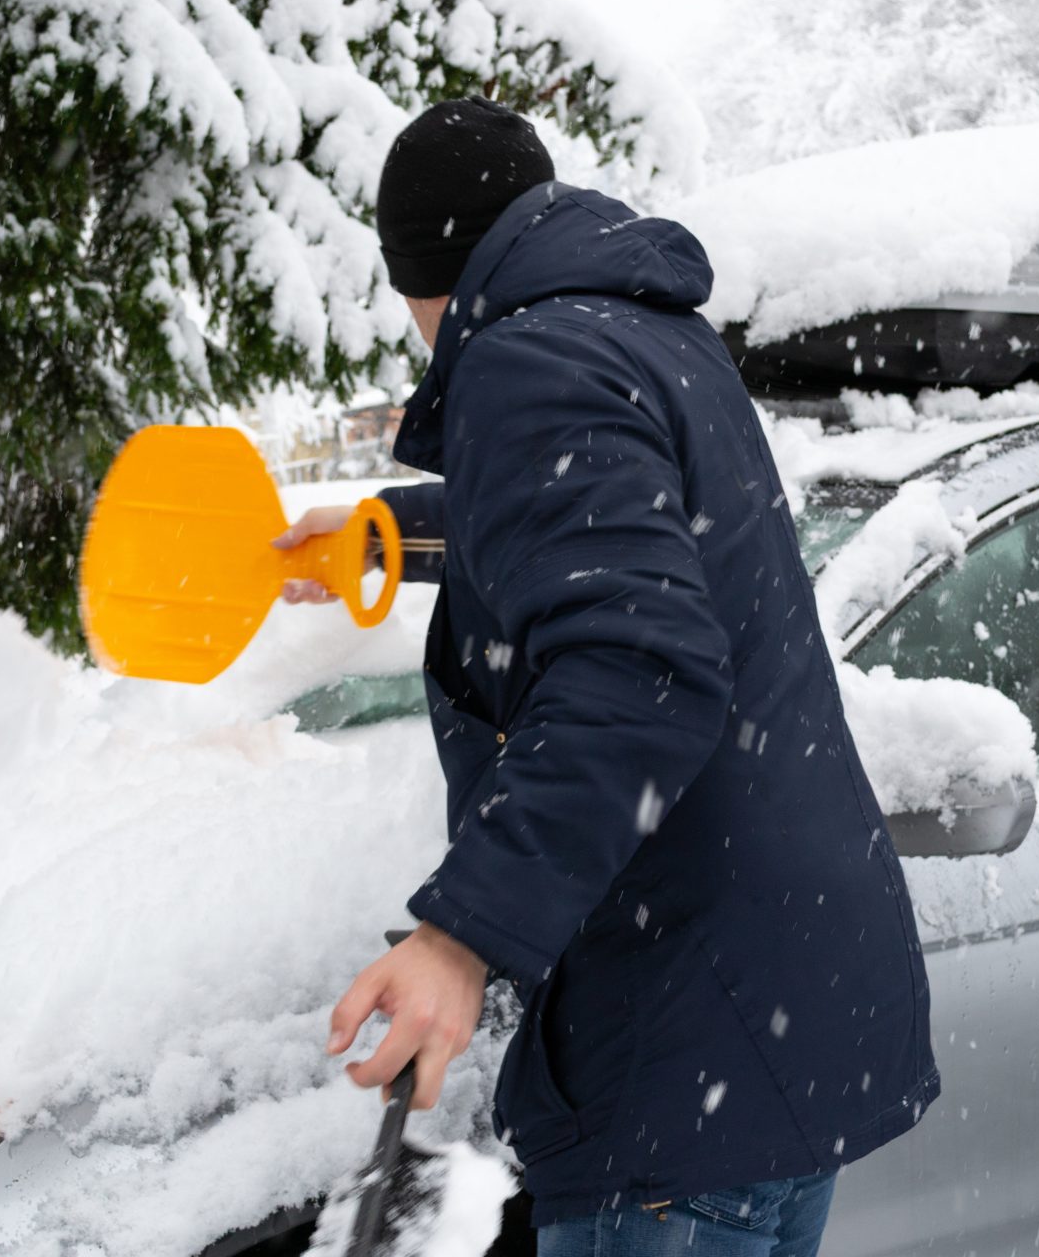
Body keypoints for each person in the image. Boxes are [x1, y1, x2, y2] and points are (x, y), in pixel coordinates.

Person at [274, 97, 938, 1257]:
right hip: (778, 1015)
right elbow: (615, 520)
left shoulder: (523, 360)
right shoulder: (646, 328)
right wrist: (390, 533)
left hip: (679, 1048)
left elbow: (639, 666)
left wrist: (458, 935)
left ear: (421, 278)